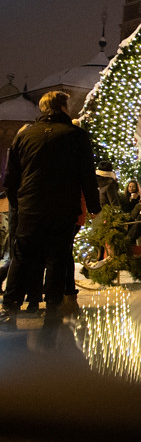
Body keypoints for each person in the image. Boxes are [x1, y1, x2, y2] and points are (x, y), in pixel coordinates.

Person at [1, 91, 100, 331]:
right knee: (57, 258)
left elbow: (10, 179)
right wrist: (94, 206)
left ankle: (9, 309)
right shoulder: (76, 136)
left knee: (21, 257)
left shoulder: (25, 136)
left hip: (29, 209)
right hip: (62, 208)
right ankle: (52, 312)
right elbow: (87, 175)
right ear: (63, 107)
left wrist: (19, 204)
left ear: (43, 108)